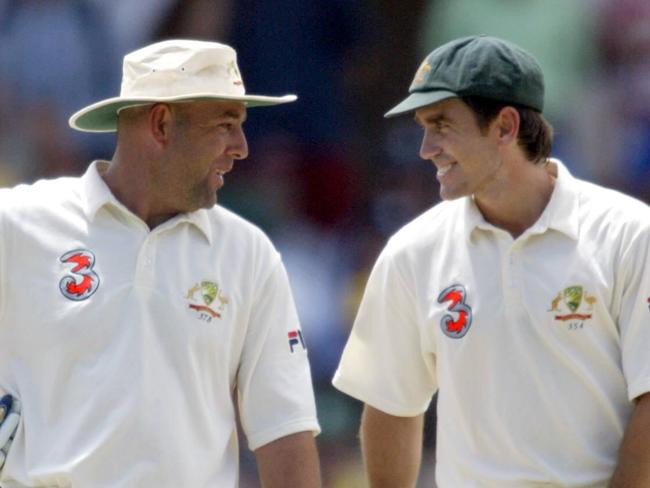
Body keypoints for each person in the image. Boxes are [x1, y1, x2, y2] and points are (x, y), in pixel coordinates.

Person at [0, 39, 321, 487]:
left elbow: (285, 431)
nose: (242, 146)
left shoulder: (249, 255)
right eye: (226, 124)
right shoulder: (15, 224)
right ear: (162, 123)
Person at [333, 35, 650, 487]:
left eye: (441, 124)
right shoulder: (412, 252)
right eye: (423, 127)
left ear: (505, 126)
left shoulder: (631, 234)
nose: (425, 148)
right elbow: (390, 402)